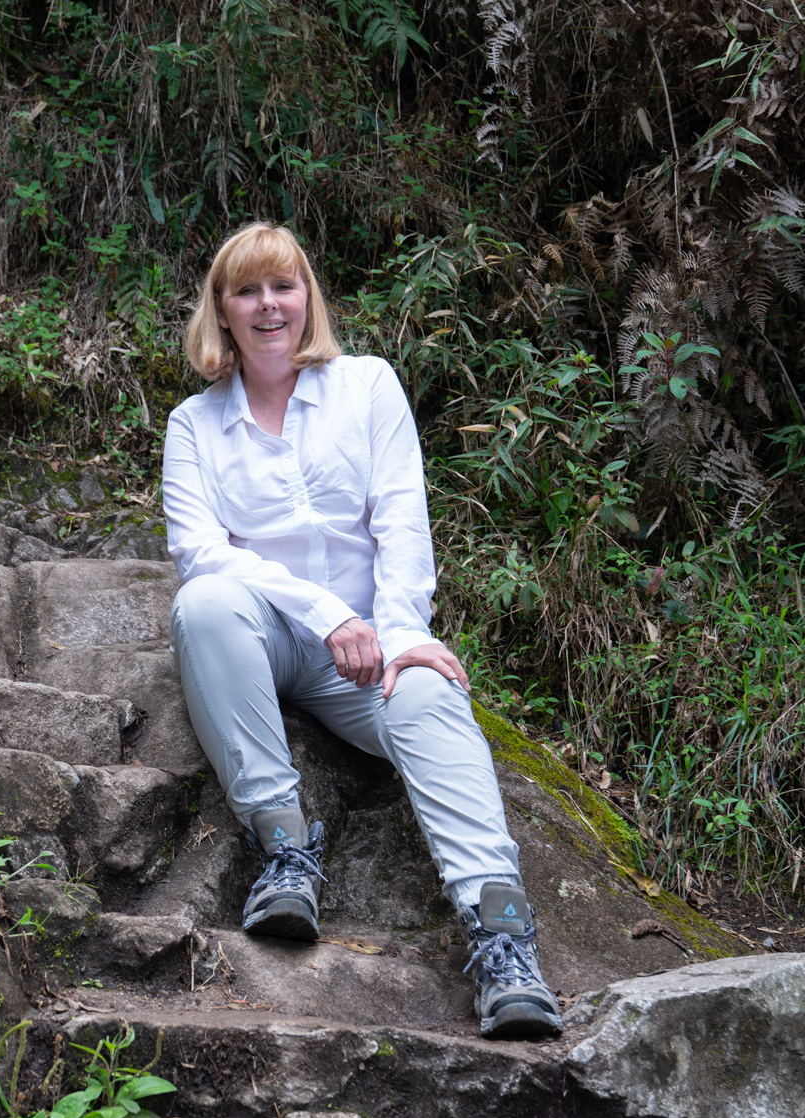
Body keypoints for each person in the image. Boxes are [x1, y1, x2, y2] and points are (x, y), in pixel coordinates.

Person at [161, 221, 563, 1040]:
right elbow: (202, 556)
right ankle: (285, 853)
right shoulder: (193, 427)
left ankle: (503, 941)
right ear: (221, 312)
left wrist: (402, 629)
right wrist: (326, 614)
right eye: (247, 290)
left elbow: (402, 521)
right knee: (203, 606)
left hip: (370, 651)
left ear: (307, 297)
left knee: (430, 696)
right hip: (263, 640)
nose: (269, 305)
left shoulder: (367, 386)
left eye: (284, 285)